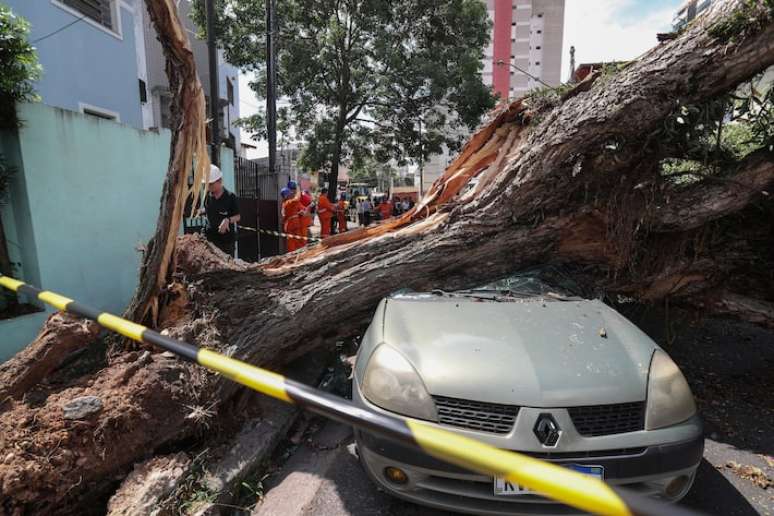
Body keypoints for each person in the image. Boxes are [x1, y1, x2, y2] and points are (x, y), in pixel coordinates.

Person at [203, 164, 240, 256]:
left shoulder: (230, 197)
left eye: (211, 184)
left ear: (220, 181)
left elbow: (238, 216)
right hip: (210, 240)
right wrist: (200, 211)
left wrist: (227, 220)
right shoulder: (208, 196)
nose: (208, 187)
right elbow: (209, 209)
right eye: (206, 184)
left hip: (226, 243)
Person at [281, 187, 303, 253]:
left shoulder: (284, 204)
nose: (291, 195)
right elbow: (297, 198)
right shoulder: (289, 202)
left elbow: (286, 215)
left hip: (290, 224)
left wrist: (298, 213)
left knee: (294, 241)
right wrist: (298, 189)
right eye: (290, 194)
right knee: (293, 243)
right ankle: (293, 257)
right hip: (292, 224)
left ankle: (296, 256)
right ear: (287, 195)